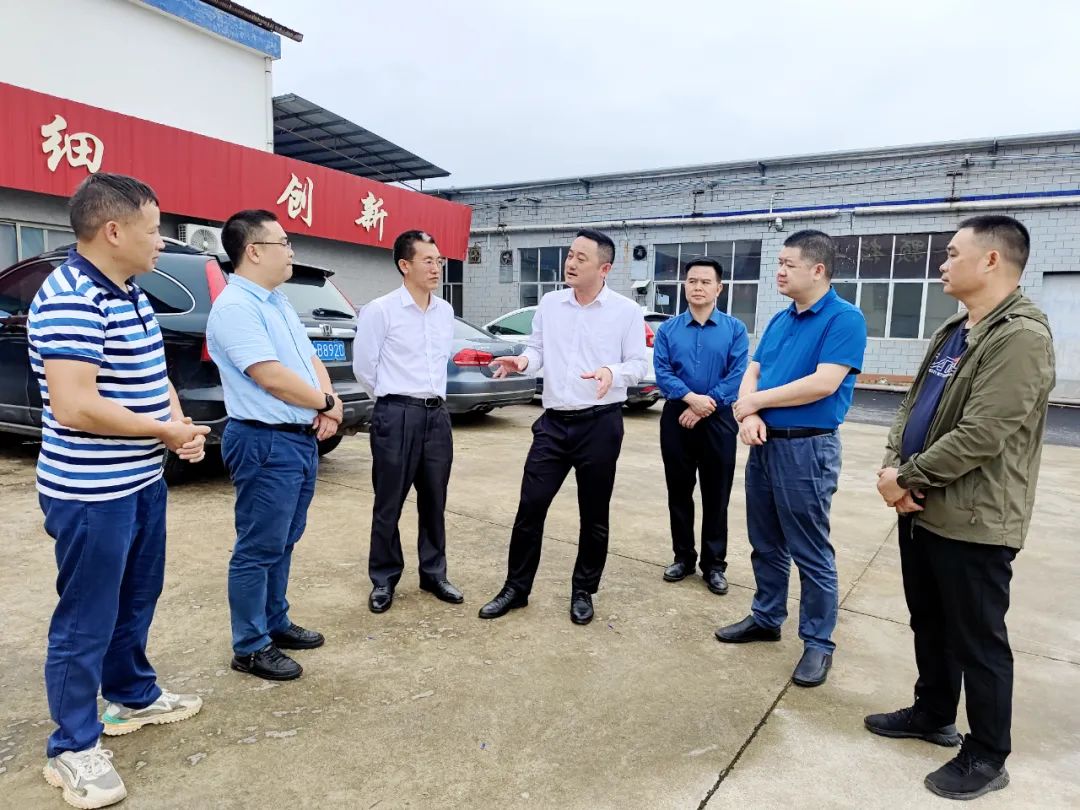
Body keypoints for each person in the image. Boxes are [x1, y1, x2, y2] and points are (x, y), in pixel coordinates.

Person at [28, 173, 208, 809]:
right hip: (91, 491)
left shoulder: (130, 293)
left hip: (140, 481)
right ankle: (72, 746)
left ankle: (130, 696)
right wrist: (162, 431)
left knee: (136, 596)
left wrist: (178, 427)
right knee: (86, 617)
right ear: (112, 230)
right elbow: (75, 405)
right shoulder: (71, 298)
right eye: (154, 230)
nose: (161, 241)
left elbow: (156, 377)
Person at [869, 215, 1055, 801]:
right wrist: (894, 469)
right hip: (921, 506)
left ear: (992, 260)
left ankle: (987, 754)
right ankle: (933, 713)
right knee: (929, 620)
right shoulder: (955, 328)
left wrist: (906, 477)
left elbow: (983, 433)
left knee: (978, 639)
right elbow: (912, 405)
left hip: (975, 519)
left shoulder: (1020, 337)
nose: (943, 264)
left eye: (952, 253)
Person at [715, 229, 867, 689]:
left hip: (807, 448)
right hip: (764, 443)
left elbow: (824, 383)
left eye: (788, 264)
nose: (779, 272)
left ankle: (818, 642)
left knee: (809, 548)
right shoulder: (781, 319)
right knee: (765, 540)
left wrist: (754, 403)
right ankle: (766, 617)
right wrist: (748, 414)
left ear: (817, 270)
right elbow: (754, 370)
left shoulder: (844, 319)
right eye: (778, 263)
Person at [478, 228, 648, 625]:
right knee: (530, 507)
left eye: (581, 258)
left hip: (600, 425)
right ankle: (516, 588)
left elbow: (639, 365)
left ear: (604, 268)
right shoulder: (551, 303)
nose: (570, 263)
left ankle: (583, 590)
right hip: (553, 425)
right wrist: (522, 361)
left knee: (594, 514)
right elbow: (537, 349)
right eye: (570, 255)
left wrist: (612, 372)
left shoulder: (625, 311)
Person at [207, 209, 340, 682]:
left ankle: (274, 621)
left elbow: (308, 359)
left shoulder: (277, 301)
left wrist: (329, 404)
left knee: (284, 539)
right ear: (254, 251)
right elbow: (270, 376)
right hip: (264, 441)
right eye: (283, 242)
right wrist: (324, 402)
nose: (291, 251)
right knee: (258, 546)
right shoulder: (235, 308)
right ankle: (249, 646)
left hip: (296, 440)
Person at [352, 230, 462, 614]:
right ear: (404, 265)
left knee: (434, 501)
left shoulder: (444, 311)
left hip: (437, 416)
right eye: (427, 261)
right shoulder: (381, 310)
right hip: (396, 414)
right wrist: (392, 402)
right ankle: (383, 578)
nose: (436, 268)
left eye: (439, 261)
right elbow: (364, 368)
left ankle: (434, 573)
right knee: (389, 502)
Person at [653, 257, 748, 595]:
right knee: (679, 491)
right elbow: (662, 372)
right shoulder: (668, 330)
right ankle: (683, 557)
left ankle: (714, 565)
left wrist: (705, 404)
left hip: (718, 419)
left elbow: (737, 374)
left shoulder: (735, 329)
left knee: (716, 494)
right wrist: (691, 398)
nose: (698, 287)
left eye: (705, 282)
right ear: (685, 286)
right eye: (692, 281)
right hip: (677, 417)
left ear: (718, 288)